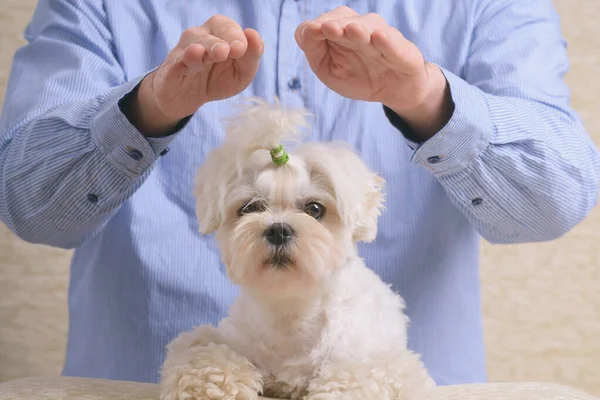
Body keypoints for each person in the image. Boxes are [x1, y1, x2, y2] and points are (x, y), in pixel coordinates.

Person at [0, 0, 598, 387]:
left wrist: (430, 101)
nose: (280, 224)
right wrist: (146, 109)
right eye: (252, 208)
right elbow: (30, 209)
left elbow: (554, 204)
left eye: (313, 209)